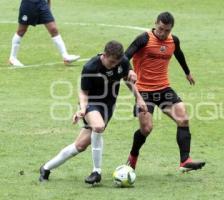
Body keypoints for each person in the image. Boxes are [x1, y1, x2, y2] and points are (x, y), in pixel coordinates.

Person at [39, 40, 147, 184]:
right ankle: (97, 172)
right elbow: (83, 92)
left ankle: (46, 168)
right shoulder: (91, 67)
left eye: (117, 62)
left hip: (108, 106)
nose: (114, 65)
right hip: (91, 102)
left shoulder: (122, 62)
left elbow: (128, 80)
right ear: (104, 55)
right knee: (98, 126)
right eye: (111, 62)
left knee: (80, 146)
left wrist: (138, 98)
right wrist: (82, 109)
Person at [125, 12, 205, 172]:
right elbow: (125, 57)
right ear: (155, 24)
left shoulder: (173, 40)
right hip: (144, 91)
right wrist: (130, 71)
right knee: (146, 129)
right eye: (160, 29)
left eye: (167, 30)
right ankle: (133, 156)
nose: (163, 33)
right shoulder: (144, 39)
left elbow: (178, 54)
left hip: (163, 89)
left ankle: (185, 160)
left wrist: (187, 72)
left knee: (183, 119)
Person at [9, 0, 80, 67]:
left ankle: (65, 56)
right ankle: (13, 58)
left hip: (42, 4)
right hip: (28, 4)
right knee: (21, 31)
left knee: (53, 29)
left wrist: (48, 4)